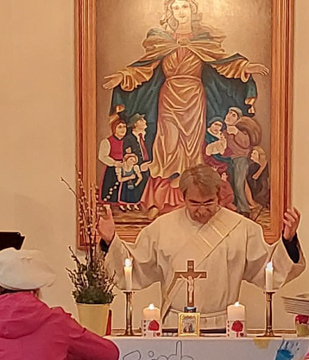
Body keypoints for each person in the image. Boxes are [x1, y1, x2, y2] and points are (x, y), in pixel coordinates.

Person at [103, 0, 268, 216]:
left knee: (192, 148)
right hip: (169, 97)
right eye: (175, 7)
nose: (180, 11)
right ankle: (159, 202)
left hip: (193, 99)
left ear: (193, 10)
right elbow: (143, 67)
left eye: (185, 6)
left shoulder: (203, 40)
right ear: (170, 12)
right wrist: (123, 76)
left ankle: (192, 200)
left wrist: (245, 67)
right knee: (166, 146)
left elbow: (223, 61)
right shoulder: (161, 40)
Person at [99, 164, 304, 324]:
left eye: (208, 203)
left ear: (218, 196)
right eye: (195, 203)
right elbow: (135, 268)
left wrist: (287, 241)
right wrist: (110, 241)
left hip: (224, 325)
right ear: (183, 197)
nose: (202, 210)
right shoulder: (161, 228)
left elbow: (267, 270)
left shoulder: (242, 229)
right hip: (174, 325)